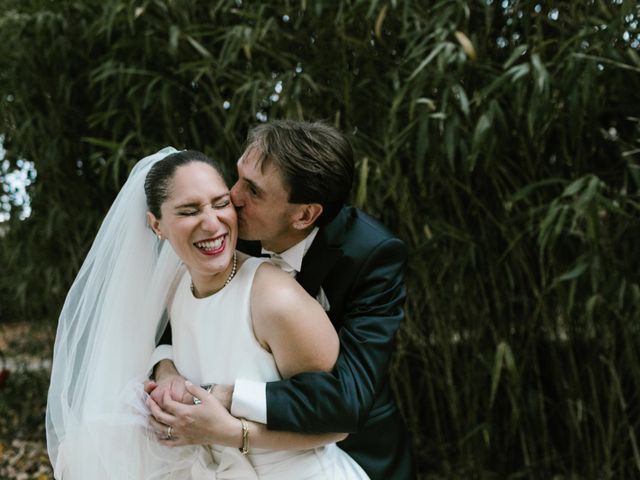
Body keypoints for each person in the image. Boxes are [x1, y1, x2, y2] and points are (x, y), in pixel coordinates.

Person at [46, 147, 369, 479]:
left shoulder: (275, 298)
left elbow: (336, 424)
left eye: (220, 203)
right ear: (156, 225)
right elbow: (185, 338)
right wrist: (166, 371)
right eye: (189, 211)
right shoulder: (173, 284)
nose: (211, 223)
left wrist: (227, 431)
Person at [149, 120, 416, 479]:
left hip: (351, 448)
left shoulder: (372, 256)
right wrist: (165, 368)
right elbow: (189, 311)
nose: (233, 196)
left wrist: (228, 398)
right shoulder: (225, 228)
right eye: (238, 176)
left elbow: (347, 397)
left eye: (254, 191)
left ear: (304, 215)